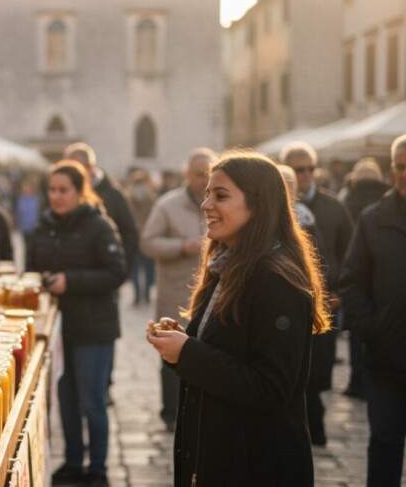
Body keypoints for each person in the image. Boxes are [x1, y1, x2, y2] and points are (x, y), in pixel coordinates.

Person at [146, 151, 329, 486]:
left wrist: (188, 352)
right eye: (206, 195)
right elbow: (227, 354)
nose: (206, 205)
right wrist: (182, 345)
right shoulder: (226, 267)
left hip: (255, 464)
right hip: (219, 456)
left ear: (257, 205)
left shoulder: (275, 280)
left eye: (221, 196)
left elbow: (271, 388)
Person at [27, 161, 127, 487]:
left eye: (63, 190)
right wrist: (39, 281)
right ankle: (72, 461)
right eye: (52, 190)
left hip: (94, 329)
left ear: (79, 191)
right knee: (65, 399)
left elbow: (116, 273)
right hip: (57, 329)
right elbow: (30, 271)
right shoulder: (42, 227)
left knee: (91, 401)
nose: (56, 196)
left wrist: (70, 281)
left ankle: (97, 467)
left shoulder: (99, 226)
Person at [339, 134, 406, 487]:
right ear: (391, 170)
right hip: (386, 360)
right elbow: (352, 282)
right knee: (384, 444)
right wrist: (373, 329)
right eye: (400, 167)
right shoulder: (373, 218)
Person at [140, 147, 217, 431]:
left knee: (204, 351)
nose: (203, 180)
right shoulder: (167, 205)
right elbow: (148, 242)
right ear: (187, 174)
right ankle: (171, 412)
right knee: (170, 351)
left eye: (208, 175)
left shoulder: (220, 204)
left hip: (209, 296)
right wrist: (180, 247)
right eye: (199, 175)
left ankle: (199, 409)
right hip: (175, 291)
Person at [281, 141, 353, 446]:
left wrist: (341, 290)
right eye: (300, 169)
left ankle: (314, 427)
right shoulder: (277, 207)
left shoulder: (333, 206)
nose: (307, 174)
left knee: (319, 368)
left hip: (325, 302)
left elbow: (349, 252)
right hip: (286, 305)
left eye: (311, 168)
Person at [63, 142, 139, 271]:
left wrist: (120, 270)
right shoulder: (61, 195)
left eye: (76, 168)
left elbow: (129, 235)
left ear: (90, 167)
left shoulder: (114, 196)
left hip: (104, 277)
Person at [124, 167, 158, 305]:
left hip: (147, 240)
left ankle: (147, 294)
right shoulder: (128, 199)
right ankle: (138, 296)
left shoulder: (151, 199)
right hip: (134, 240)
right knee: (135, 271)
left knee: (148, 269)